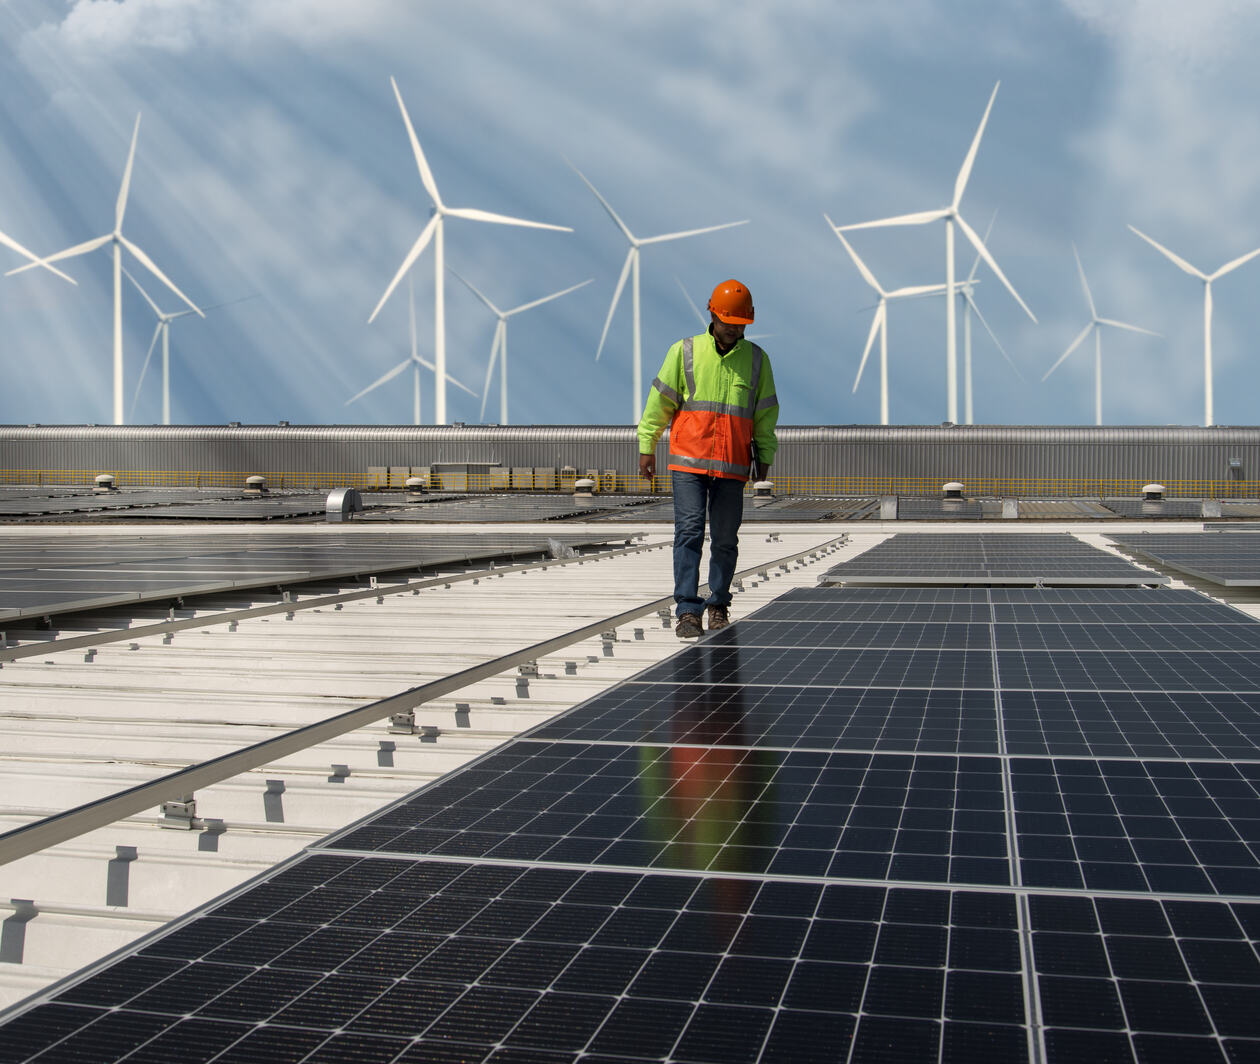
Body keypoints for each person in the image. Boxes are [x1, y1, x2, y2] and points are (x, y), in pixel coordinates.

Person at [637, 279, 779, 638]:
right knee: (688, 533)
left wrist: (765, 454)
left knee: (726, 538)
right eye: (727, 320)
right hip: (688, 462)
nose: (733, 328)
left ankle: (718, 605)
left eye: (740, 323)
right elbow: (660, 402)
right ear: (712, 313)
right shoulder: (684, 351)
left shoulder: (757, 360)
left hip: (732, 465)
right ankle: (687, 609)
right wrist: (646, 445)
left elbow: (765, 414)